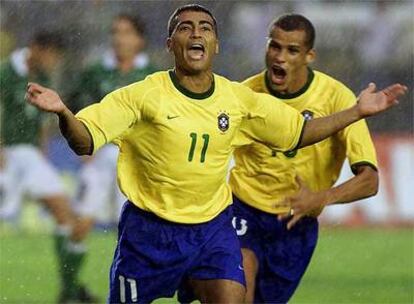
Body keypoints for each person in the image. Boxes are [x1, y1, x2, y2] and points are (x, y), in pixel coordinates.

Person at [25, 4, 407, 303]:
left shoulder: (239, 99)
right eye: (185, 28)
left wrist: (356, 112)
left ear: (216, 45)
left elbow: (299, 131)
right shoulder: (142, 95)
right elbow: (85, 140)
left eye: (205, 28)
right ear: (169, 44)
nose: (196, 33)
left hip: (215, 229)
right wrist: (63, 112)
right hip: (154, 230)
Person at [229, 14, 385, 303]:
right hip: (241, 210)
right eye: (274, 47)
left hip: (295, 224)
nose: (280, 57)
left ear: (309, 55)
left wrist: (321, 198)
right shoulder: (243, 95)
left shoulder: (338, 99)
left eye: (292, 50)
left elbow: (370, 180)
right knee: (235, 293)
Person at [0, 31, 96, 303]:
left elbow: (42, 120)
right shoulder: (6, 72)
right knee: (65, 216)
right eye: (52, 55)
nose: (54, 62)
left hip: (30, 158)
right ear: (36, 48)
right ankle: (70, 289)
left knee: (67, 217)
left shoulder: (40, 77)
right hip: (9, 154)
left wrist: (43, 151)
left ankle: (69, 289)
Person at [69, 13, 158, 242]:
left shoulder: (153, 75)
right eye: (116, 32)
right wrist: (82, 148)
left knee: (130, 227)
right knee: (80, 224)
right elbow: (74, 107)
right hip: (100, 155)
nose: (119, 39)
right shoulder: (96, 72)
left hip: (136, 159)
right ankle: (69, 278)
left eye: (126, 33)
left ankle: (128, 277)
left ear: (140, 40)